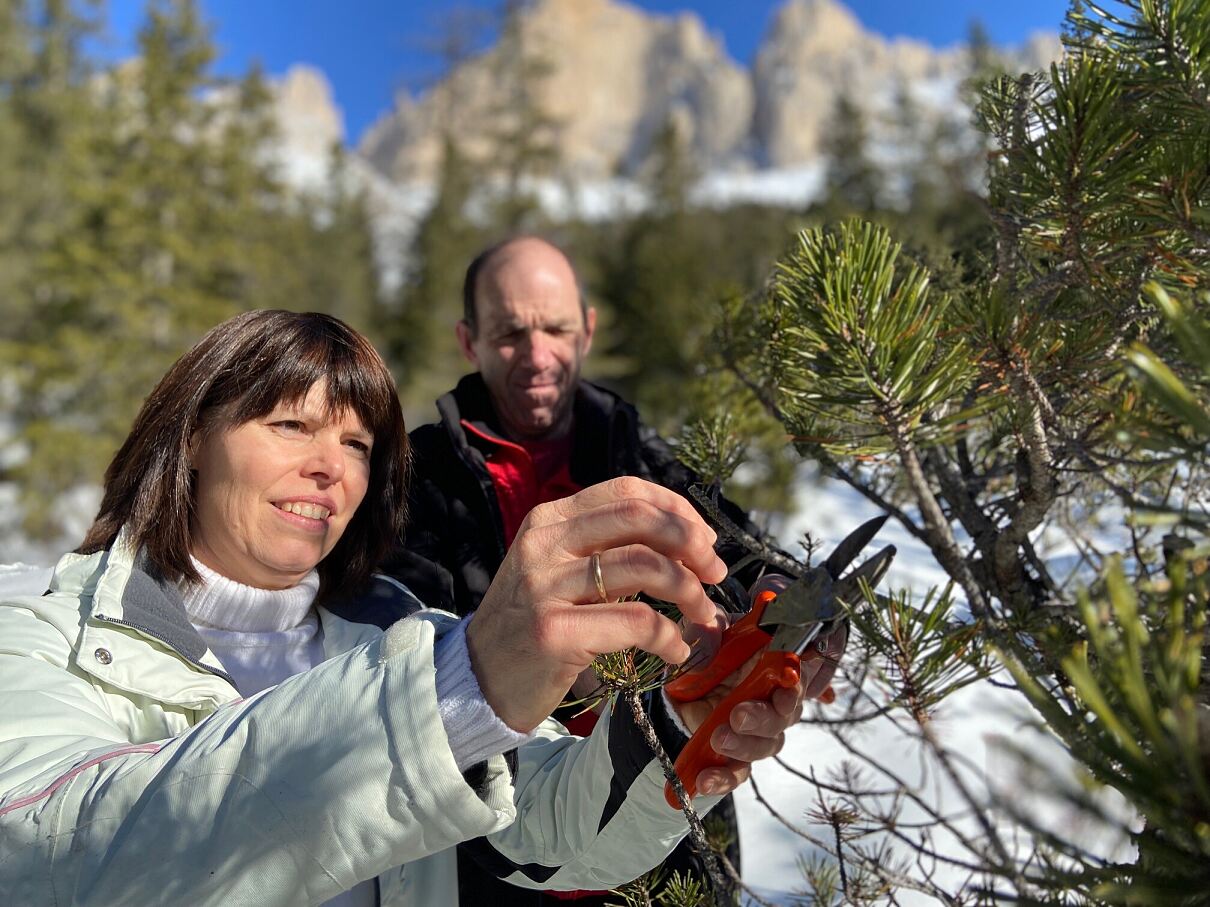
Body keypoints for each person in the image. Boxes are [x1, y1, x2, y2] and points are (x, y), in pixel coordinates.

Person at [0, 310, 826, 907]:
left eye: (357, 444)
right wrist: (450, 693)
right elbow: (59, 853)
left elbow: (548, 835)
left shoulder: (400, 632)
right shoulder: (37, 625)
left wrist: (677, 725)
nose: (330, 467)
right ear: (189, 439)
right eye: (291, 424)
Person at [385, 237, 841, 904]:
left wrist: (800, 621)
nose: (538, 353)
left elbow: (753, 563)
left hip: (666, 849)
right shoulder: (417, 480)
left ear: (587, 330)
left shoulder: (647, 458)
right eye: (510, 332)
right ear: (468, 341)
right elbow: (413, 663)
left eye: (556, 327)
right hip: (495, 865)